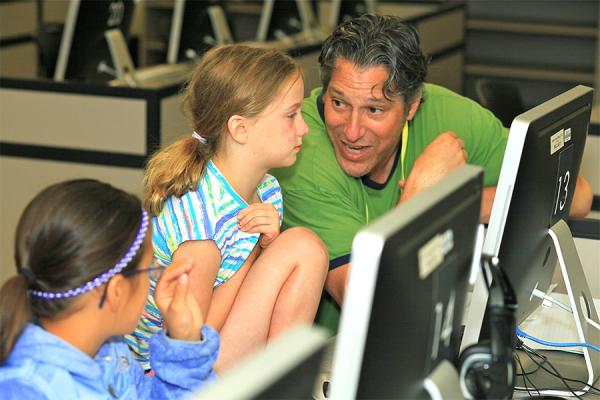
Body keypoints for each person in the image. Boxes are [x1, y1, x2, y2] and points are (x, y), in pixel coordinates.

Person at [271, 14, 593, 327]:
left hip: (426, 334)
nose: (352, 131)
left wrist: (462, 202)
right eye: (339, 103)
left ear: (412, 105)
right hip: (338, 356)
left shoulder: (451, 116)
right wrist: (420, 196)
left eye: (374, 109)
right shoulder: (301, 154)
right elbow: (367, 303)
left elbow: (577, 196)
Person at [126, 44, 329, 372]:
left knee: (305, 247)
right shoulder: (198, 216)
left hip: (202, 346)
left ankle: (284, 382)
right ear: (240, 128)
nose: (303, 128)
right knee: (303, 246)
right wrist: (252, 256)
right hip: (162, 371)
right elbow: (194, 335)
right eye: (291, 115)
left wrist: (266, 245)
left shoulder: (267, 190)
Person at [0, 179, 218, 399]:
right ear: (117, 291)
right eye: (150, 269)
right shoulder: (26, 390)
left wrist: (185, 343)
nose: (156, 277)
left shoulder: (110, 352)